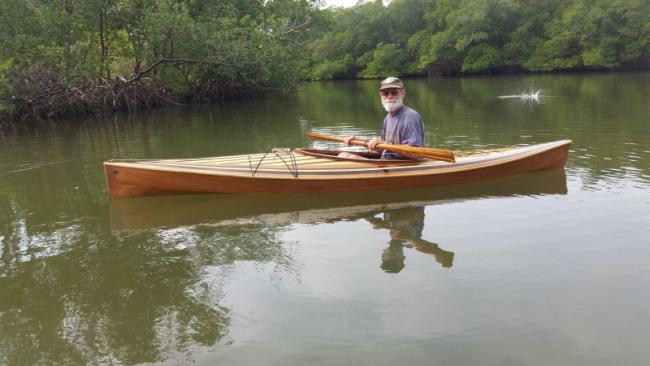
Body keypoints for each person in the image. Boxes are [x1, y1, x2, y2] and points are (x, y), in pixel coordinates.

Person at [339, 77, 425, 160]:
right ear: (381, 95)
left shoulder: (410, 117)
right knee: (343, 155)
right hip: (386, 164)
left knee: (344, 156)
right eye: (385, 93)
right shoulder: (387, 118)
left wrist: (385, 144)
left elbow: (416, 154)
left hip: (401, 168)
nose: (389, 96)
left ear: (403, 93)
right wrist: (359, 141)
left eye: (394, 92)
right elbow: (383, 147)